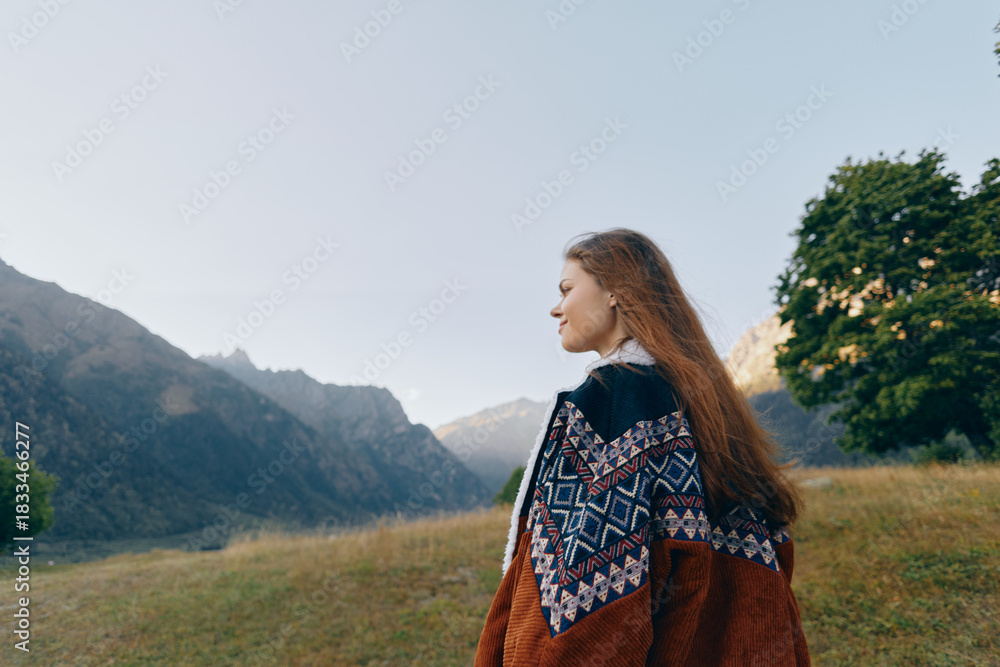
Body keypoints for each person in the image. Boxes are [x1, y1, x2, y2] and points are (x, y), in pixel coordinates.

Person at [474, 228, 811, 666]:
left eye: (567, 289)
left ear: (614, 291)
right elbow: (768, 563)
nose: (556, 308)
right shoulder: (704, 405)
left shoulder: (611, 401)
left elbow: (580, 602)